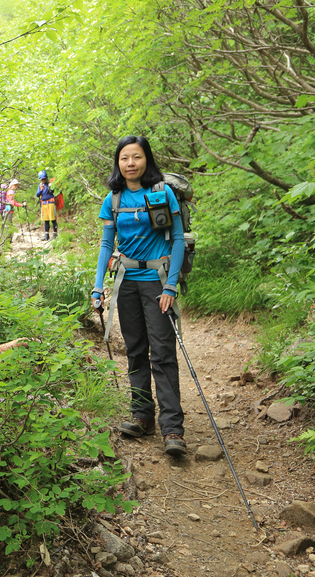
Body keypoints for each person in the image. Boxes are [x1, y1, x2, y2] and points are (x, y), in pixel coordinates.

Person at [91, 136, 187, 457]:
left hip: (157, 281)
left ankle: (172, 427)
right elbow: (107, 245)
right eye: (124, 158)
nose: (130, 163)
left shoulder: (162, 193)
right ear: (118, 164)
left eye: (136, 157)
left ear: (147, 160)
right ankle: (143, 415)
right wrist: (97, 287)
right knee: (135, 350)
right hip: (125, 282)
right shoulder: (113, 200)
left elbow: (176, 239)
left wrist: (171, 286)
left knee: (162, 352)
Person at [35, 170, 58, 241]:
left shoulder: (50, 184)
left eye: (44, 179)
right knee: (46, 220)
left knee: (53, 219)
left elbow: (52, 191)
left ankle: (54, 234)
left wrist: (49, 187)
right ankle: (46, 235)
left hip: (50, 203)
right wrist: (41, 190)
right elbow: (37, 195)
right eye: (42, 179)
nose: (43, 180)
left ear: (47, 178)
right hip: (44, 204)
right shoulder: (40, 185)